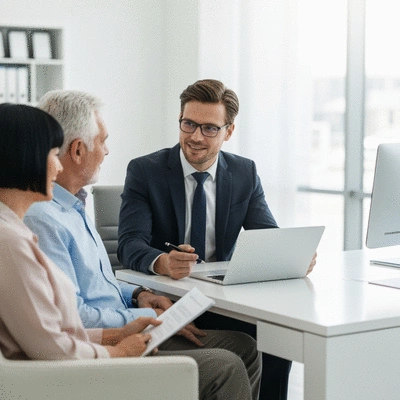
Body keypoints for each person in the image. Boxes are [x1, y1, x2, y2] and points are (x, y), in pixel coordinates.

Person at [24, 90, 262, 400]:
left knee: (246, 347)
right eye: (103, 141)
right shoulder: (45, 219)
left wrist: (138, 294)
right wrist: (139, 320)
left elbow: (98, 282)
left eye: (210, 128)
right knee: (226, 365)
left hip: (128, 320)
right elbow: (73, 315)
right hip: (105, 345)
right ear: (79, 150)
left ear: (228, 131)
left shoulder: (73, 206)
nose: (108, 151)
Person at [117, 79, 317, 400]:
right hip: (168, 299)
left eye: (209, 128)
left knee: (279, 342)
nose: (195, 136)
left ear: (229, 131)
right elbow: (128, 244)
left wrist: (292, 256)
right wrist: (163, 262)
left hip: (221, 298)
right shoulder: (146, 171)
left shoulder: (244, 173)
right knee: (252, 345)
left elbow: (266, 236)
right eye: (188, 124)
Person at [0, 102, 162, 362]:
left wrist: (115, 334)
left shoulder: (14, 230)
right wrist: (117, 351)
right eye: (54, 155)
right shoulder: (10, 242)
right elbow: (53, 347)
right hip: (77, 376)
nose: (59, 167)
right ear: (24, 159)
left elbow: (56, 332)